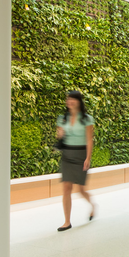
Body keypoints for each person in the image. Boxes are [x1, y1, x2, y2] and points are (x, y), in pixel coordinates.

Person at [55, 90, 96, 231]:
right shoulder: (62, 118)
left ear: (79, 101)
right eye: (68, 99)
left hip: (81, 155)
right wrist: (60, 135)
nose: (69, 101)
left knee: (80, 189)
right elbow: (60, 137)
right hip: (67, 154)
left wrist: (88, 158)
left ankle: (93, 205)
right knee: (66, 188)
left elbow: (89, 140)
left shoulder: (87, 119)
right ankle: (67, 221)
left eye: (73, 99)